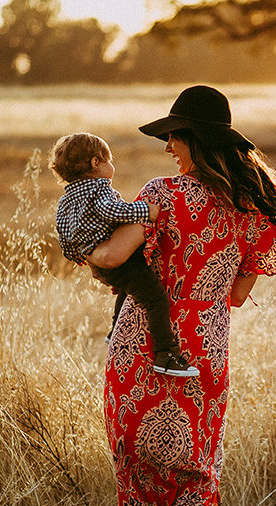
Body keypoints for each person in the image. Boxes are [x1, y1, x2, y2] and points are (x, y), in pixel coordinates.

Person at [86, 86, 276, 506]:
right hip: (204, 341)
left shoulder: (160, 195)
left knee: (133, 453)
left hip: (143, 334)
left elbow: (113, 258)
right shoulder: (248, 208)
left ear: (193, 140)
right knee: (197, 456)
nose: (168, 149)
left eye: (174, 138)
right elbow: (234, 295)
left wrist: (87, 253)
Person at [50, 132, 199, 377]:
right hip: (121, 262)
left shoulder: (67, 199)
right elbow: (113, 210)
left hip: (99, 260)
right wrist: (146, 211)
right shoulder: (98, 190)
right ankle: (165, 353)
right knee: (155, 300)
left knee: (130, 290)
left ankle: (115, 330)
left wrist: (79, 256)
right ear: (95, 163)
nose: (112, 166)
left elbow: (63, 232)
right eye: (109, 161)